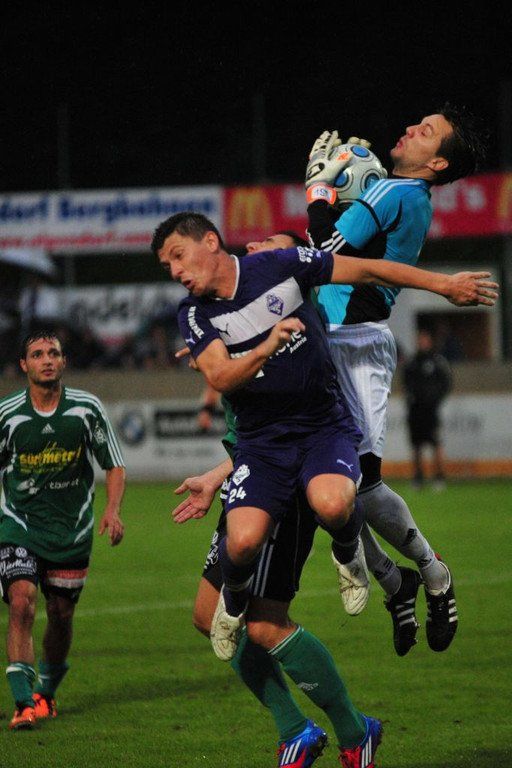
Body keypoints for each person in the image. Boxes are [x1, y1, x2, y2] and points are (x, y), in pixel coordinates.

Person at [304, 103, 487, 656]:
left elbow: (324, 251)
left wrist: (319, 190)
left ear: (436, 163)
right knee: (321, 484)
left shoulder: (392, 191)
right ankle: (396, 580)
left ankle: (431, 572)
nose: (409, 129)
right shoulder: (407, 197)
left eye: (425, 131)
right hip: (336, 338)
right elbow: (339, 251)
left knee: (358, 482)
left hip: (354, 342)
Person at [0, 330, 126, 731]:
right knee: (22, 602)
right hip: (19, 523)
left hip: (72, 530)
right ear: (25, 365)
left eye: (53, 353)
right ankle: (23, 702)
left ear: (64, 361)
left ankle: (46, 693)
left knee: (60, 613)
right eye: (38, 354)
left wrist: (113, 511)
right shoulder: (7, 414)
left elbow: (114, 464)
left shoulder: (87, 408)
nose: (47, 360)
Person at [403, 328, 452, 488]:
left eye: (424, 340)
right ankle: (418, 477)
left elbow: (446, 383)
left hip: (431, 411)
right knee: (416, 445)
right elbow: (406, 383)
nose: (422, 343)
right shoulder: (412, 362)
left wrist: (435, 399)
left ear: (430, 341)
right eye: (420, 340)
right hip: (415, 411)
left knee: (436, 443)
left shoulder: (437, 362)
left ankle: (439, 477)